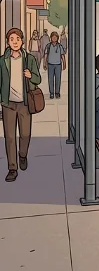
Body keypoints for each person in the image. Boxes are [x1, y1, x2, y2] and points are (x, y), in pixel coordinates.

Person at [1, 28, 42, 182]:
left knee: (25, 134)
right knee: (10, 137)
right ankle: (12, 168)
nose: (15, 42)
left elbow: (38, 80)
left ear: (22, 41)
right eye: (12, 39)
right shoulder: (2, 61)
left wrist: (31, 76)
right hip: (8, 104)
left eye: (17, 39)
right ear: (8, 42)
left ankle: (22, 155)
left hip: (25, 103)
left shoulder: (29, 59)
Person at [42, 32, 66, 99]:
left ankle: (57, 93)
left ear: (57, 38)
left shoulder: (60, 46)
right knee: (50, 79)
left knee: (58, 79)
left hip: (58, 65)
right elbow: (46, 55)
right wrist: (44, 63)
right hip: (50, 65)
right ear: (51, 38)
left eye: (55, 37)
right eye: (53, 37)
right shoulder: (48, 46)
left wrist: (64, 63)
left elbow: (62, 55)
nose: (54, 38)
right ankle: (51, 93)